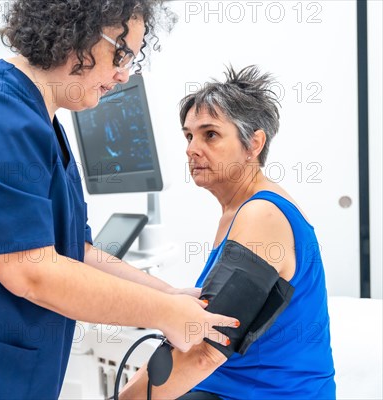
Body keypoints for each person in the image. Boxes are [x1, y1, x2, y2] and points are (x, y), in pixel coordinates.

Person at [0, 1, 239, 399]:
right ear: (75, 33)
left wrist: (165, 295)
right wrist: (165, 314)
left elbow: (76, 251)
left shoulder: (43, 126)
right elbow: (31, 271)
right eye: (121, 53)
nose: (124, 75)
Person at [119, 66, 336, 399]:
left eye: (210, 134)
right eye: (188, 136)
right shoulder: (236, 213)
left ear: (254, 143)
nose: (192, 148)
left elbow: (207, 351)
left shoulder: (261, 215)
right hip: (224, 389)